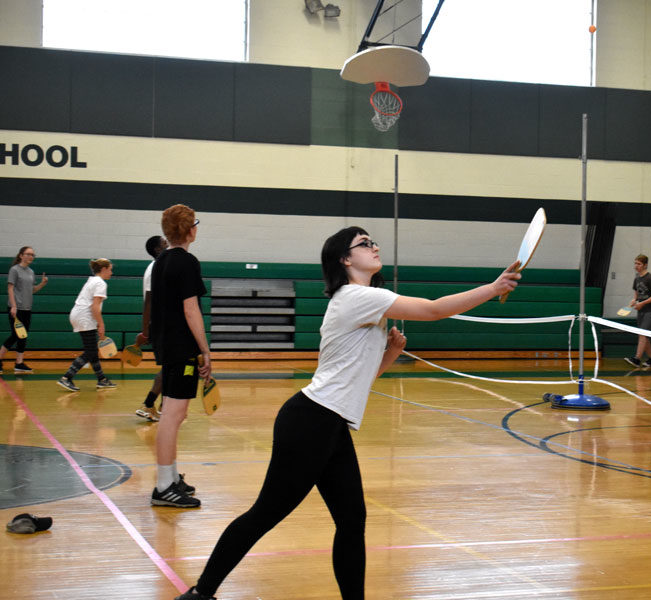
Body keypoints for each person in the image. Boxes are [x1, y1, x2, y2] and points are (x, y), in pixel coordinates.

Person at [174, 226, 520, 600]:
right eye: (364, 244)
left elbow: (352, 379)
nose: (374, 247)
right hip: (311, 422)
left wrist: (387, 355)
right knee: (265, 514)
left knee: (352, 520)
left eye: (373, 241)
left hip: (328, 423)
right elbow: (434, 310)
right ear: (344, 259)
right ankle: (200, 593)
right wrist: (494, 287)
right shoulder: (357, 297)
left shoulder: (360, 301)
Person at [150, 204, 210, 509]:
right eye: (195, 223)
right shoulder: (187, 262)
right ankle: (163, 486)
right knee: (172, 416)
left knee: (176, 414)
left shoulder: (161, 260)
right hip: (181, 346)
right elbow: (191, 309)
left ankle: (171, 477)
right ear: (189, 230)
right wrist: (205, 349)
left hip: (167, 344)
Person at [56, 259, 117, 391]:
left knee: (92, 350)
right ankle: (66, 377)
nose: (111, 272)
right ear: (104, 269)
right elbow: (95, 307)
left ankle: (101, 379)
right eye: (110, 269)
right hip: (85, 316)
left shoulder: (92, 280)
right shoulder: (101, 283)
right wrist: (101, 324)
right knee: (91, 351)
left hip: (78, 315)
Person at [135, 235, 169, 422]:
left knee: (170, 367)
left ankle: (162, 406)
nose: (168, 244)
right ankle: (148, 405)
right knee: (170, 367)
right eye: (164, 243)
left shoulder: (161, 266)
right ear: (157, 249)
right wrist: (145, 331)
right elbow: (149, 300)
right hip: (157, 324)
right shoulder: (154, 268)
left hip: (161, 323)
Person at [1, 246, 48, 374]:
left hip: (27, 308)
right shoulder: (14, 270)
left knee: (23, 336)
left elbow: (32, 290)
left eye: (32, 254)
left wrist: (42, 284)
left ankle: (19, 363)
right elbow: (10, 288)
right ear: (21, 255)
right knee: (15, 335)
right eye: (28, 254)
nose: (30, 256)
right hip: (16, 308)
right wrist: (14, 306)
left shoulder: (31, 272)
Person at [624, 254, 651, 368]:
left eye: (639, 264)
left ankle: (637, 359)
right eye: (635, 263)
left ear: (645, 265)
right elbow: (636, 296)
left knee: (642, 334)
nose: (636, 266)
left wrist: (643, 303)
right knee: (644, 335)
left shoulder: (650, 278)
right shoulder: (637, 278)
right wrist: (633, 301)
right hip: (641, 311)